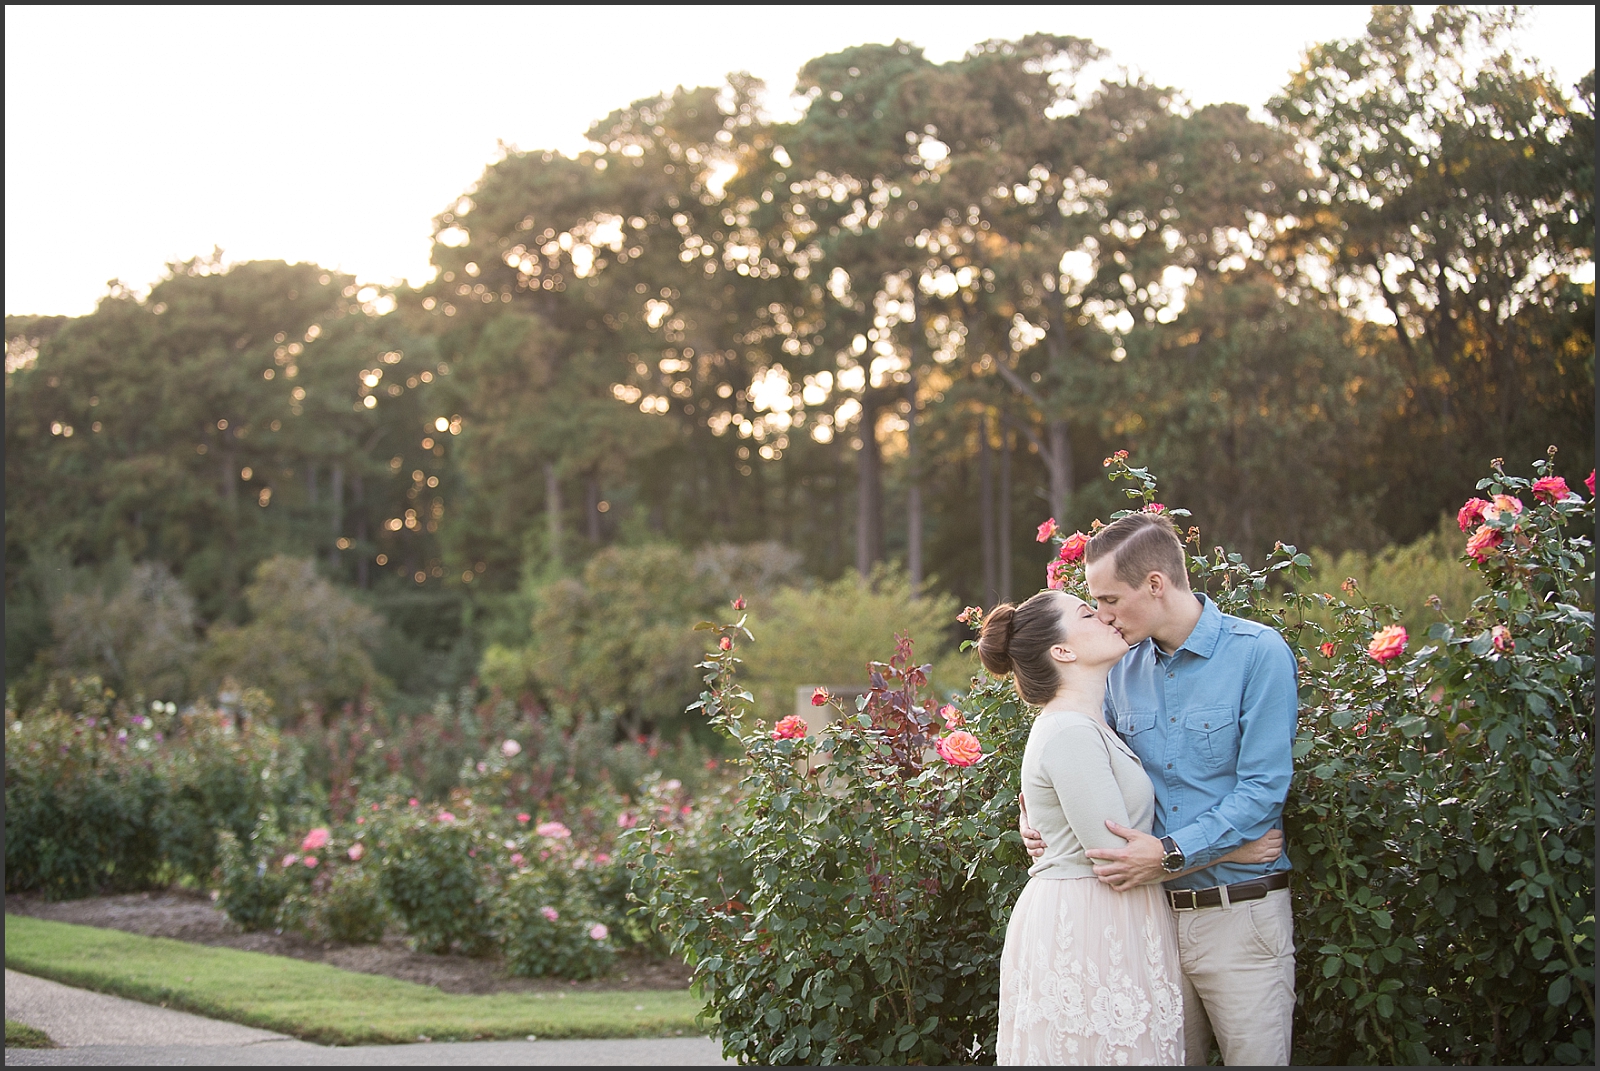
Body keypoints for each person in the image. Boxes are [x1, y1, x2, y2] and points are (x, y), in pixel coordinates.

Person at [1020, 512, 1298, 1066]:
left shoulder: (1257, 654)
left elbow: (1264, 790)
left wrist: (1173, 853)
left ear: (1155, 584)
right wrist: (1037, 818)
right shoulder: (1119, 670)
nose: (1102, 615)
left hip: (1238, 919)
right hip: (1146, 923)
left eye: (1110, 599)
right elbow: (1080, 758)